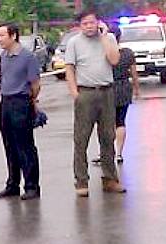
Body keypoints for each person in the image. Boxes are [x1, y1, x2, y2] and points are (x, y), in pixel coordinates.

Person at [64, 10, 125, 197]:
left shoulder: (109, 39)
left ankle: (110, 179)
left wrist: (105, 36)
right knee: (81, 139)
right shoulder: (74, 42)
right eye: (85, 23)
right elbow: (69, 68)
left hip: (106, 92)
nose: (89, 26)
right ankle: (81, 181)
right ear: (80, 26)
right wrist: (75, 93)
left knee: (108, 136)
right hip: (86, 93)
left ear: (98, 22)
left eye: (92, 22)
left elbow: (114, 60)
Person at [0, 22, 41, 200]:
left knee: (25, 146)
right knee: (9, 144)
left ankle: (32, 186)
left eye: (1, 35)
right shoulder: (3, 55)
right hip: (5, 101)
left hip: (21, 101)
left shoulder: (27, 57)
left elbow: (35, 84)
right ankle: (12, 184)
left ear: (13, 36)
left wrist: (31, 101)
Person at [93, 26, 139, 165]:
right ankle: (119, 152)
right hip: (124, 87)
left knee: (105, 123)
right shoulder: (127, 53)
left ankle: (106, 152)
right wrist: (136, 89)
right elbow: (134, 74)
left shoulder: (102, 53)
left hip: (107, 88)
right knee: (120, 121)